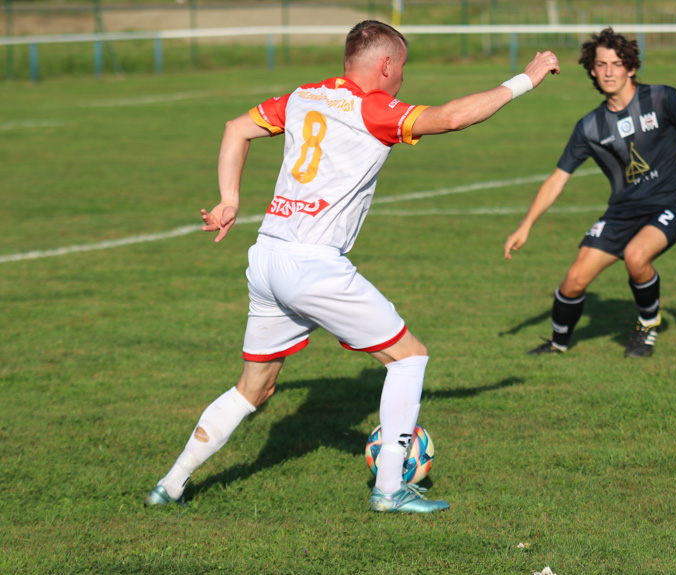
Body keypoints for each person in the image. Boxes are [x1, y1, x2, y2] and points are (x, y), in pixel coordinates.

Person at [144, 20, 560, 514]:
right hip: (313, 266)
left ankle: (170, 484)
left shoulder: (303, 96)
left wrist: (229, 200)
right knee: (408, 358)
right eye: (402, 68)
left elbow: (236, 129)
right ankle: (389, 489)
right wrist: (525, 80)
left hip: (268, 257)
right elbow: (450, 117)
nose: (402, 78)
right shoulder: (374, 108)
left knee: (254, 387)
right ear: (386, 65)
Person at [504, 28, 676, 359]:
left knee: (636, 257)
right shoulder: (589, 127)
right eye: (601, 64)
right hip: (623, 211)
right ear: (592, 70)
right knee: (574, 280)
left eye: (616, 64)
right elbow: (558, 179)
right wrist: (526, 224)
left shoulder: (662, 99)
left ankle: (648, 325)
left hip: (672, 201)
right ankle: (558, 345)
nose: (608, 71)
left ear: (631, 67)